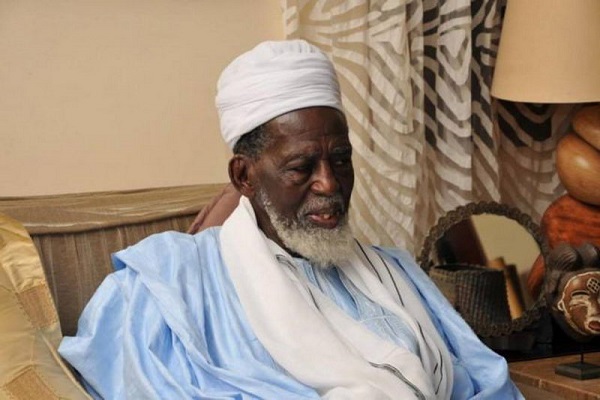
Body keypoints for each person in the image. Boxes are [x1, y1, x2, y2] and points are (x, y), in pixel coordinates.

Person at [59, 40, 523, 399]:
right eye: (301, 168)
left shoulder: (396, 272)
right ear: (244, 176)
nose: (329, 184)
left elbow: (485, 381)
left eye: (340, 160)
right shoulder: (170, 282)